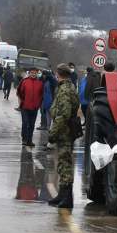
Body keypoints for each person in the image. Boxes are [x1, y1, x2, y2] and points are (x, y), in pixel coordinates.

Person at [47, 63, 81, 209]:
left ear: (58, 74)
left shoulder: (65, 90)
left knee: (65, 164)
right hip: (65, 130)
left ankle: (67, 199)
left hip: (65, 131)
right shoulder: (68, 87)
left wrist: (52, 133)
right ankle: (62, 195)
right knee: (62, 163)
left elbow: (63, 114)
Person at [16, 68, 44, 147]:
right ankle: (24, 139)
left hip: (34, 108)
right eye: (32, 73)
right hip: (25, 107)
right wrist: (23, 101)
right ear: (29, 73)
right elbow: (19, 92)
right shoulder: (24, 81)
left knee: (32, 124)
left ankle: (29, 140)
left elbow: (42, 95)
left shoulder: (40, 83)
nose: (33, 74)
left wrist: (38, 104)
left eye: (35, 73)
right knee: (25, 123)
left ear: (37, 73)